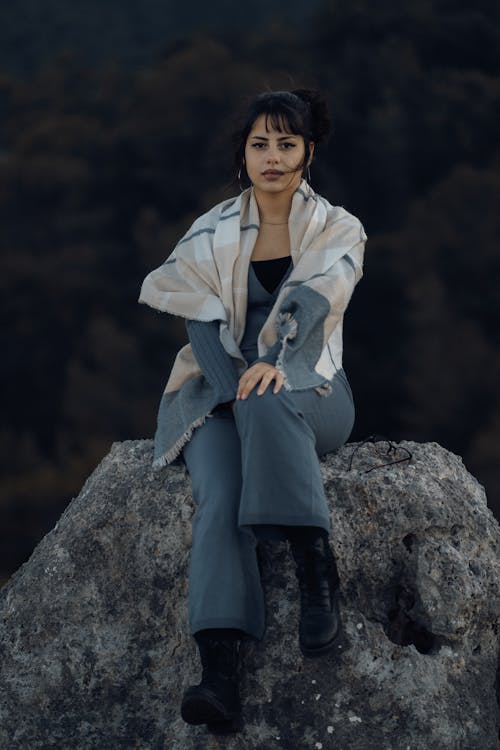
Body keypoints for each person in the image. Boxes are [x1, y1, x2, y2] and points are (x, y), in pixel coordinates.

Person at [139, 89, 367, 734]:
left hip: (312, 387)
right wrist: (231, 388)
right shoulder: (208, 232)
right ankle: (219, 673)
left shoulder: (335, 227)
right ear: (243, 152)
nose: (272, 157)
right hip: (215, 392)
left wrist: (276, 366)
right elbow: (203, 328)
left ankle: (315, 569)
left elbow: (320, 303)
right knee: (219, 497)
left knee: (269, 404)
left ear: (308, 152)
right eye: (259, 143)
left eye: (286, 144)